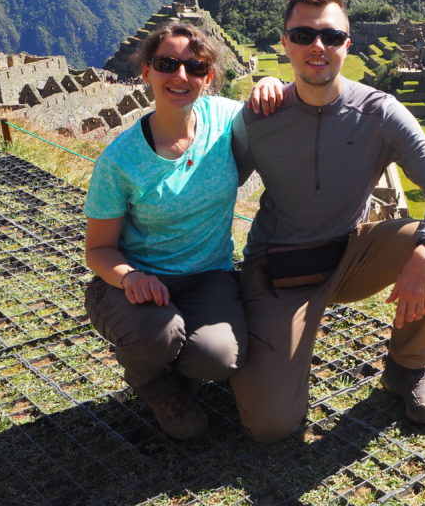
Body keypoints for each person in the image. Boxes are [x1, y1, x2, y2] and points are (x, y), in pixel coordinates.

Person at [230, 0, 425, 443]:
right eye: (303, 36)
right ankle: (265, 348)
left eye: (331, 37)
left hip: (349, 255)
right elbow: (216, 187)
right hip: (279, 269)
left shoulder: (379, 112)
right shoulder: (259, 116)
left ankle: (407, 369)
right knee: (270, 425)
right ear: (285, 43)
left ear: (347, 43)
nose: (317, 47)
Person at [84, 21, 281, 440]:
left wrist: (272, 81)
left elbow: (274, 110)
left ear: (208, 78)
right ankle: (154, 384)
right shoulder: (119, 160)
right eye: (167, 64)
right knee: (156, 334)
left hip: (209, 275)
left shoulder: (224, 119)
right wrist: (129, 277)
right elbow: (98, 250)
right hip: (138, 281)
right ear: (147, 72)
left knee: (219, 358)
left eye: (195, 68)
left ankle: (177, 369)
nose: (181, 76)